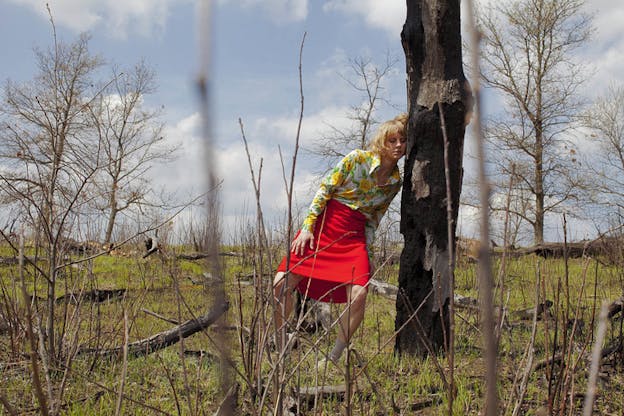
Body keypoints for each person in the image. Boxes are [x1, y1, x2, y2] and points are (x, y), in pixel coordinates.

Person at [273, 113, 408, 366]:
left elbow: (376, 215)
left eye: (402, 140)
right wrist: (307, 228)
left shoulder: (395, 182)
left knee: (358, 295)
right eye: (392, 140)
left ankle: (333, 357)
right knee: (281, 283)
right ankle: (280, 345)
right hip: (323, 227)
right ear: (382, 142)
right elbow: (324, 190)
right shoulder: (356, 159)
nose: (398, 145)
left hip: (354, 237)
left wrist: (366, 247)